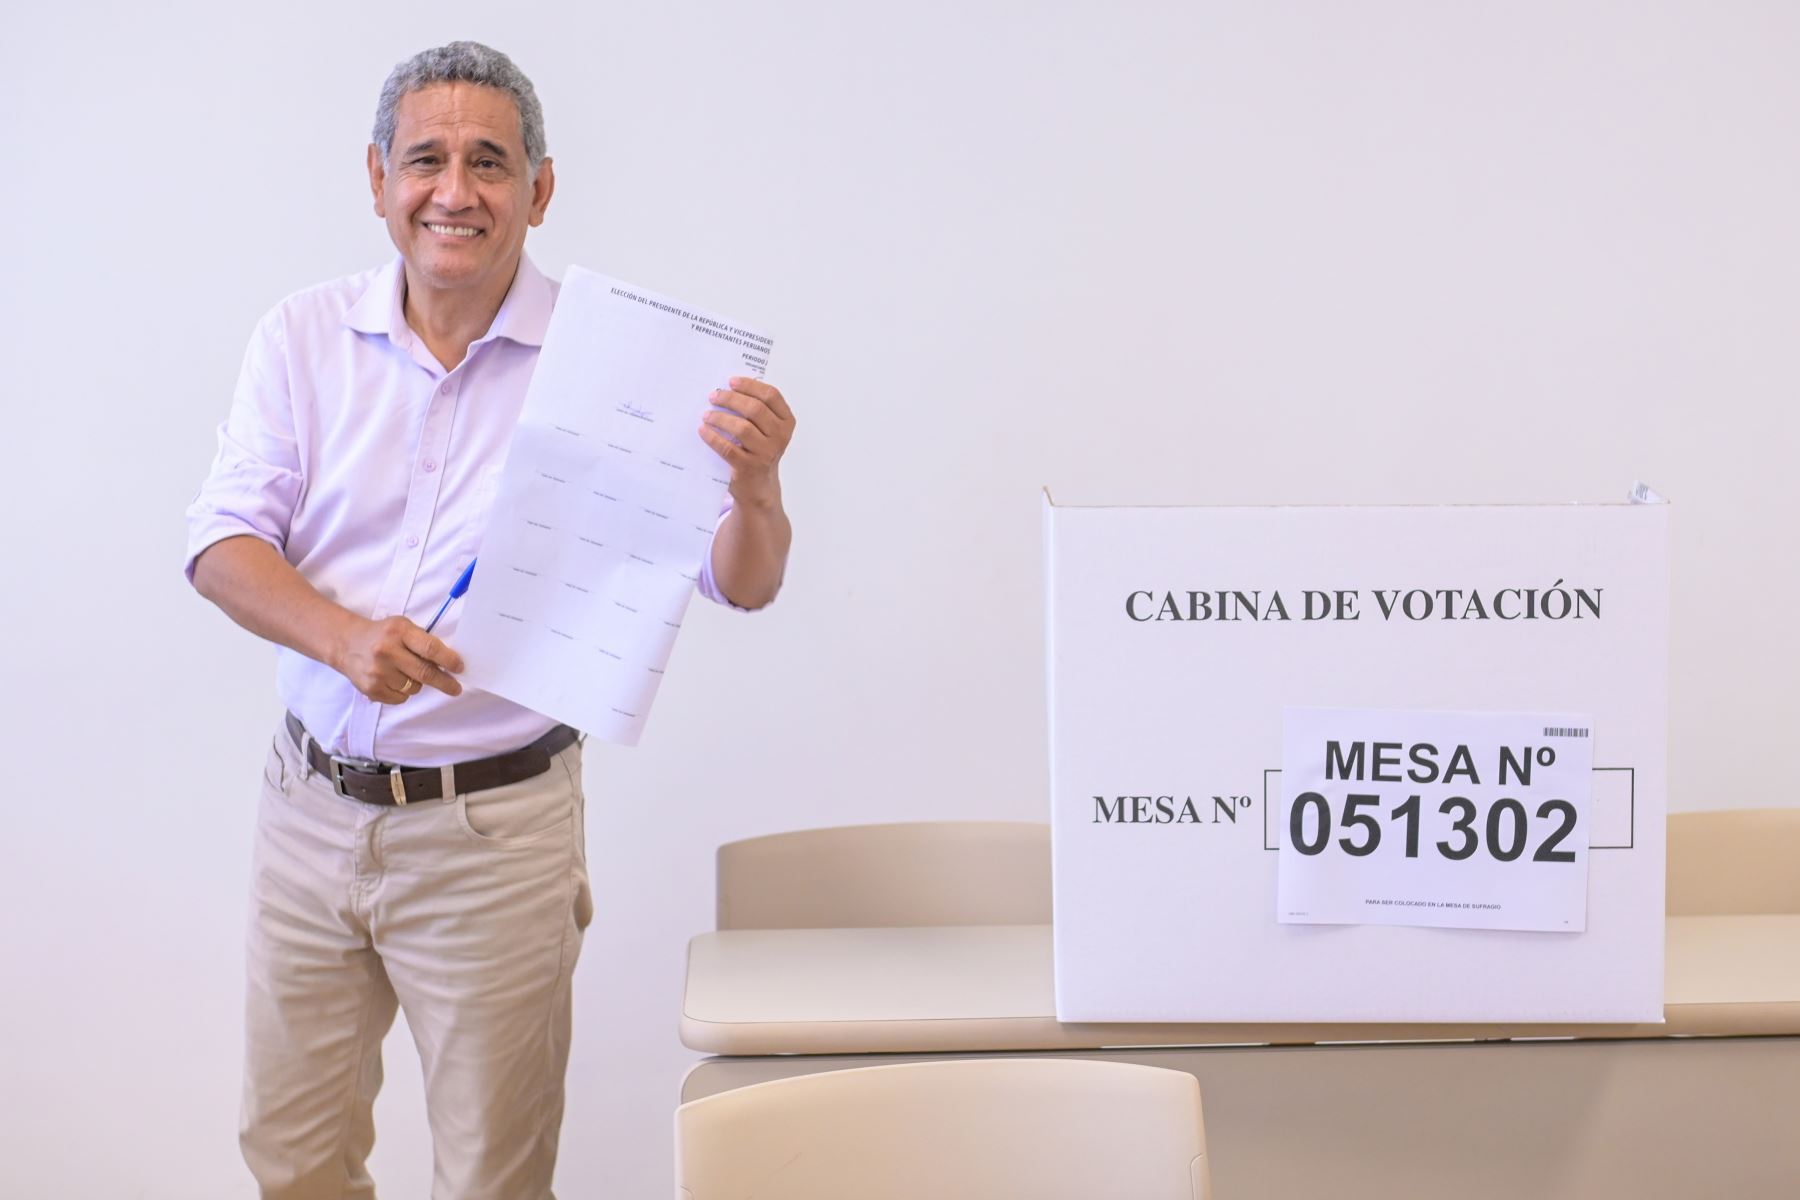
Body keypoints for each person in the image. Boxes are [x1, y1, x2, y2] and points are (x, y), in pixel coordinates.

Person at [183, 41, 795, 1199]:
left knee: (492, 1180)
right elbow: (219, 547)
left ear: (540, 190)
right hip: (308, 816)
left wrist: (756, 490)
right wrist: (342, 637)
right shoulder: (302, 339)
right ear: (377, 179)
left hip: (494, 838)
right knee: (293, 1161)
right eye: (425, 160)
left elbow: (743, 581)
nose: (454, 192)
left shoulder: (621, 366)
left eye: (489, 162)